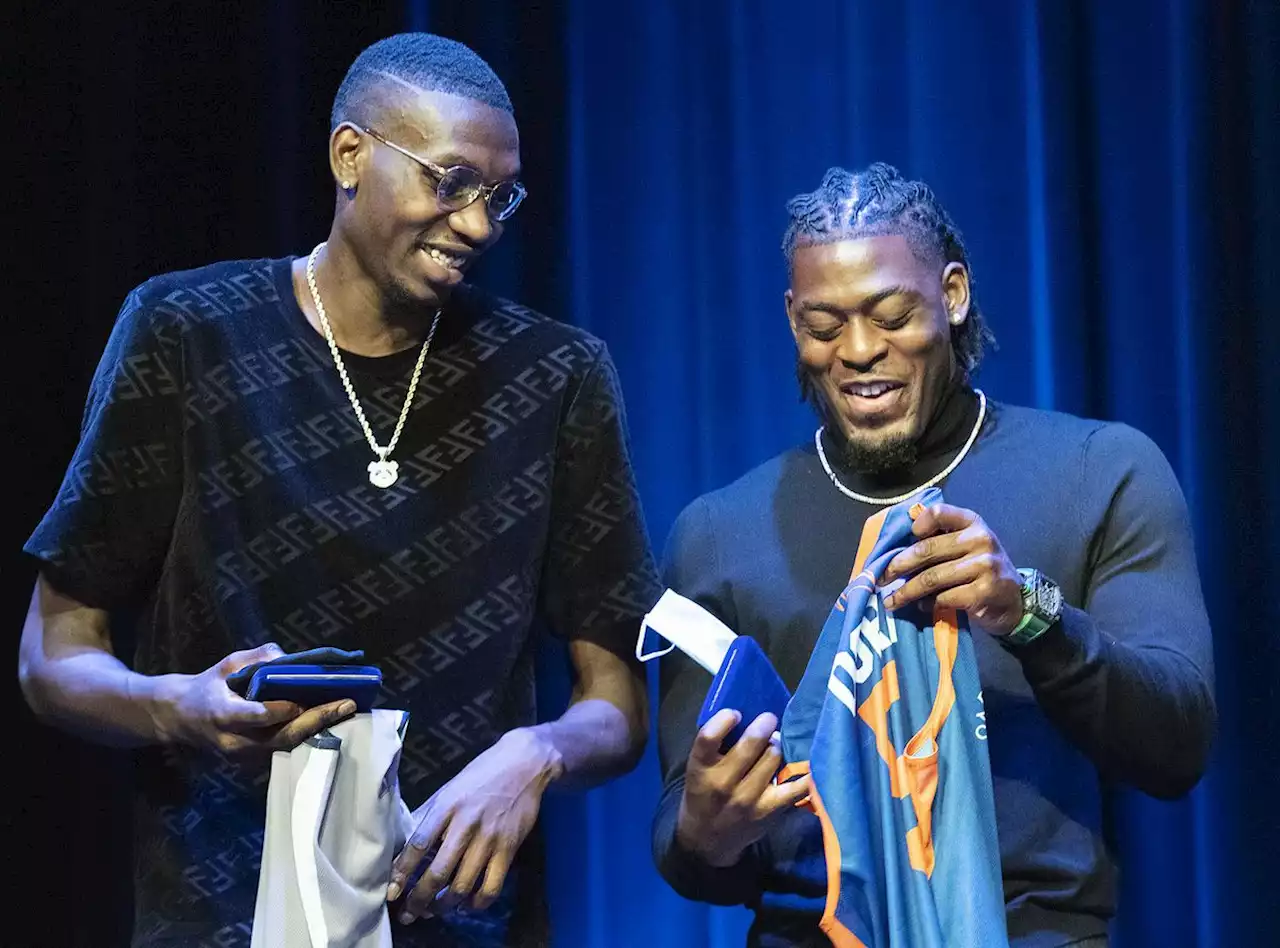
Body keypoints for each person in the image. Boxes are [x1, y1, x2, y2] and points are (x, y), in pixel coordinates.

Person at [19, 32, 659, 948]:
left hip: (461, 919)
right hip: (223, 913)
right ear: (349, 155)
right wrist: (180, 708)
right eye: (450, 182)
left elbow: (617, 703)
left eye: (500, 196)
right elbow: (51, 657)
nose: (478, 224)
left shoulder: (555, 376)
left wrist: (536, 753)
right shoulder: (187, 334)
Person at [652, 163, 1216, 947]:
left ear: (952, 295)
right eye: (823, 326)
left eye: (890, 315)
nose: (857, 351)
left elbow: (1178, 743)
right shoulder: (717, 533)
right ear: (792, 321)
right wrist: (707, 833)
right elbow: (690, 846)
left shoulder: (1100, 471)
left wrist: (1029, 614)